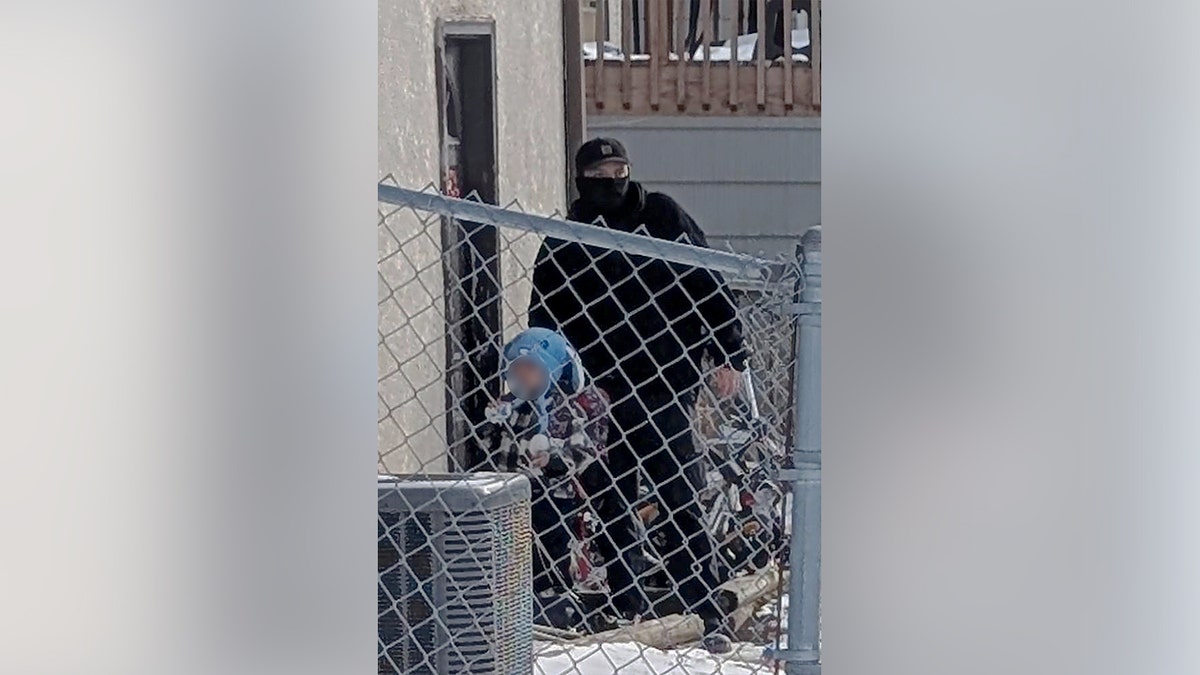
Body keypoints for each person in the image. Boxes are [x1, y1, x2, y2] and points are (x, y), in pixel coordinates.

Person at [529, 137, 748, 645]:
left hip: (664, 384)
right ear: (583, 179)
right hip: (598, 390)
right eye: (600, 173)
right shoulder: (568, 237)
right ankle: (626, 606)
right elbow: (546, 316)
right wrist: (551, 380)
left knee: (679, 498)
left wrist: (729, 352)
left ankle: (703, 605)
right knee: (612, 500)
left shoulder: (662, 218)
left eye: (619, 169)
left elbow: (708, 283)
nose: (612, 180)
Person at [475, 327, 614, 630]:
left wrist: (554, 458)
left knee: (550, 550)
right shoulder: (512, 404)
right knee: (507, 552)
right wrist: (492, 422)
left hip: (553, 495)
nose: (522, 378)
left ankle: (554, 604)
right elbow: (488, 445)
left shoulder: (571, 406)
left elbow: (585, 448)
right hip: (508, 493)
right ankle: (512, 607)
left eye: (531, 371)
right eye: (516, 370)